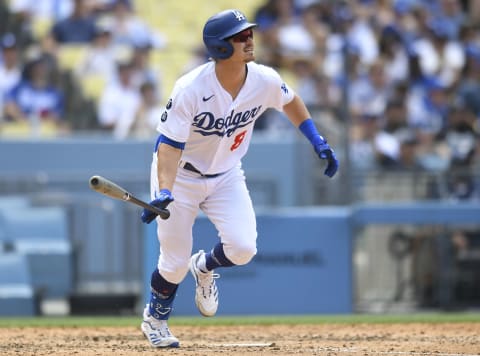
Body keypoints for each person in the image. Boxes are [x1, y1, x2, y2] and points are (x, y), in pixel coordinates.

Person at [139, 9, 339, 348]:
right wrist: (165, 191)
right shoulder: (190, 88)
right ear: (220, 48)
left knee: (244, 248)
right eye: (240, 36)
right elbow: (169, 147)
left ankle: (204, 266)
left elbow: (291, 101)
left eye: (249, 34)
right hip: (181, 176)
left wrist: (316, 139)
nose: (249, 39)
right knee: (172, 262)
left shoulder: (263, 79)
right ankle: (155, 319)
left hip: (227, 173)